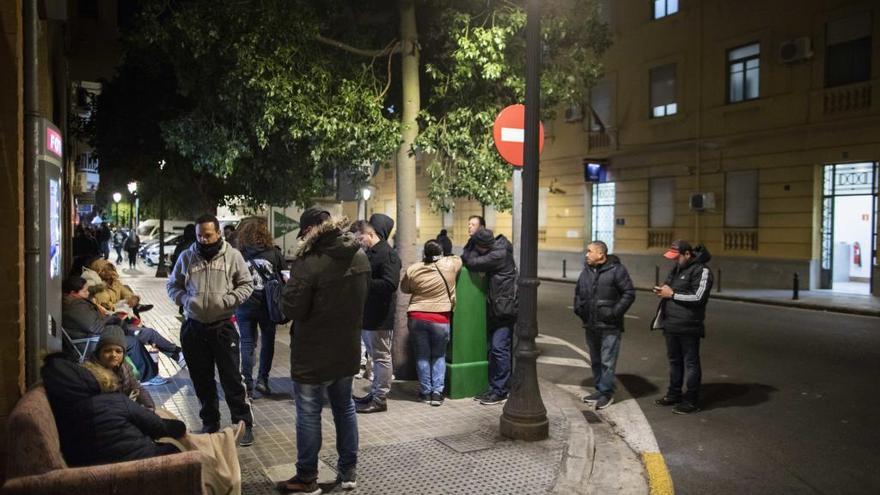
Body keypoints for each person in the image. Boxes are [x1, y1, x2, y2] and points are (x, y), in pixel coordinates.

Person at [277, 209, 370, 493]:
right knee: (344, 408)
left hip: (312, 352)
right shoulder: (360, 256)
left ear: (309, 231)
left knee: (308, 412)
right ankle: (348, 472)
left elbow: (293, 308)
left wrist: (287, 289)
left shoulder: (309, 262)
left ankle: (307, 478)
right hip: (347, 348)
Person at [166, 214, 256, 445]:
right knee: (201, 380)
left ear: (217, 233)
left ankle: (242, 423)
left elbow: (247, 284)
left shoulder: (233, 256)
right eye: (199, 236)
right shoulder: (187, 257)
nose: (204, 240)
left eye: (208, 235)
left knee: (232, 379)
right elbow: (172, 285)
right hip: (193, 327)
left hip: (223, 327)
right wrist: (185, 300)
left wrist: (228, 300)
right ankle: (210, 423)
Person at [62, 276, 180, 383]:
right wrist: (112, 319)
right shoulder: (75, 307)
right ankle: (149, 376)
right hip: (92, 342)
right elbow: (95, 327)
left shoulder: (77, 304)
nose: (88, 293)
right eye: (84, 291)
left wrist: (113, 319)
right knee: (133, 342)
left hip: (101, 336)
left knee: (146, 333)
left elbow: (95, 324)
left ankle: (177, 354)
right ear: (73, 293)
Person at [652, 240, 713, 415]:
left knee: (691, 362)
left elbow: (698, 297)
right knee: (674, 361)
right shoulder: (677, 268)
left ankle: (691, 400)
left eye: (676, 257)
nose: (673, 261)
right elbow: (668, 286)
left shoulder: (702, 270)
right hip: (670, 323)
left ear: (687, 254)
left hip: (689, 325)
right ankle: (673, 394)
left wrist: (672, 294)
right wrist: (662, 290)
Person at [573, 241, 635, 410]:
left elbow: (629, 293)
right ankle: (600, 390)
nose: (586, 254)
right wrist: (579, 309)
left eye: (589, 251)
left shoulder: (617, 270)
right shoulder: (586, 271)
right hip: (590, 323)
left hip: (609, 325)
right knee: (596, 360)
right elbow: (578, 292)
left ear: (601, 254)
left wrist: (614, 313)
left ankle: (607, 393)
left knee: (607, 360)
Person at [400, 240, 462, 406]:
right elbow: (458, 258)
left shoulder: (414, 269)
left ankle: (425, 393)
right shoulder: (450, 265)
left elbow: (404, 288)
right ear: (441, 254)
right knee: (438, 356)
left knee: (422, 356)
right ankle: (437, 393)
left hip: (417, 317)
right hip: (440, 318)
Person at [461, 228, 518, 405]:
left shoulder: (498, 255)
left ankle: (500, 391)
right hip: (498, 307)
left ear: (482, 246)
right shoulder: (497, 249)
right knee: (495, 350)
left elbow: (471, 262)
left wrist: (469, 247)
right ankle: (497, 387)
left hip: (504, 309)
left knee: (498, 349)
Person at [355, 213, 401, 414]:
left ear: (372, 234)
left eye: (361, 237)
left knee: (381, 357)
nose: (360, 241)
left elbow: (390, 284)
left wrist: (363, 282)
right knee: (375, 356)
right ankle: (374, 393)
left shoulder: (388, 254)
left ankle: (380, 398)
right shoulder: (372, 253)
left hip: (380, 316)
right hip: (369, 314)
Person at [234, 217, 285, 396]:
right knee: (268, 342)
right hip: (269, 305)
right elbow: (285, 277)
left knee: (247, 342)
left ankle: (246, 382)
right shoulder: (274, 253)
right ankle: (263, 380)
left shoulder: (238, 254)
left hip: (244, 305)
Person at [82, 325, 156, 410]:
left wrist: (149, 407)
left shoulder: (125, 367)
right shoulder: (89, 374)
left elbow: (137, 387)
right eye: (108, 351)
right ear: (99, 353)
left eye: (118, 351)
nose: (114, 355)